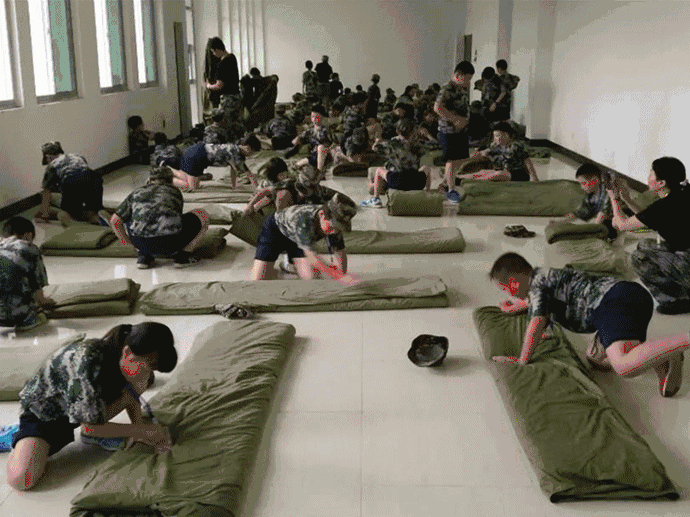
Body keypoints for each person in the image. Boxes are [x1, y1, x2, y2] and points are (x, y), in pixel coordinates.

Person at [6, 322, 178, 491]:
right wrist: (140, 431)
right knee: (22, 478)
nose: (149, 372)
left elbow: (131, 394)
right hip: (44, 414)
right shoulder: (88, 366)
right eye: (148, 366)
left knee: (141, 382)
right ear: (127, 353)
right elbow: (89, 428)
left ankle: (100, 431)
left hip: (78, 405)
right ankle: (16, 435)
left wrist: (138, 425)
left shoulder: (124, 352)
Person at [489, 252, 686, 397]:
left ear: (513, 284)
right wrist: (513, 307)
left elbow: (536, 324)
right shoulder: (542, 276)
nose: (508, 294)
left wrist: (522, 360)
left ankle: (682, 342)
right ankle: (663, 359)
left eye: (505, 289)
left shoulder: (537, 289)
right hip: (626, 295)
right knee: (595, 358)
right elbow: (535, 302)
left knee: (623, 366)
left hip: (613, 303)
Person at [606, 156, 690, 314]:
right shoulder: (683, 192)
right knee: (645, 245)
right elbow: (649, 219)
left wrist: (614, 198)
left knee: (638, 257)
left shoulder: (664, 206)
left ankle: (677, 300)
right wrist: (627, 198)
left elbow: (620, 224)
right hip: (685, 252)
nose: (648, 177)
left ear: (661, 183)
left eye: (651, 174)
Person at [109, 166, 209, 269]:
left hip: (140, 243)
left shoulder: (136, 192)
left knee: (129, 216)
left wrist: (127, 243)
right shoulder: (174, 191)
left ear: (149, 179)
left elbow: (114, 221)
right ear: (171, 180)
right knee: (202, 214)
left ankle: (144, 256)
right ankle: (183, 256)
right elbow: (176, 218)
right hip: (172, 243)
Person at [249, 193, 359, 284]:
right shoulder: (304, 220)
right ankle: (281, 266)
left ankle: (290, 264)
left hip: (297, 240)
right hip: (276, 230)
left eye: (338, 228)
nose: (334, 232)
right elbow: (312, 257)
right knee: (258, 281)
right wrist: (337, 275)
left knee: (311, 277)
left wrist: (342, 274)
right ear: (321, 215)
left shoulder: (334, 223)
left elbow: (339, 251)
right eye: (332, 227)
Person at [0, 217, 55, 331]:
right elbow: (37, 284)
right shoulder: (29, 249)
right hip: (14, 315)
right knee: (40, 316)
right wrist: (44, 301)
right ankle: (27, 321)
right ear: (28, 235)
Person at [35, 142, 108, 227]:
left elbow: (46, 193)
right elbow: (84, 175)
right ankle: (102, 219)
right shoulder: (76, 156)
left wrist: (44, 215)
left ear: (48, 156)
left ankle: (78, 229)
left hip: (71, 182)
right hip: (94, 178)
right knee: (94, 210)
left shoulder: (52, 165)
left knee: (68, 214)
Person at [362, 119, 432, 208]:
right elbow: (435, 145)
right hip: (417, 182)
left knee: (379, 170)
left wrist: (378, 139)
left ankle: (376, 199)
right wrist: (428, 135)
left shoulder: (392, 143)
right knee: (426, 168)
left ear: (397, 131)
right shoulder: (418, 144)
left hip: (398, 182)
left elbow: (375, 148)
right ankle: (427, 193)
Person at [435, 61, 474, 203]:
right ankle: (451, 190)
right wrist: (455, 119)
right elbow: (438, 108)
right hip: (449, 131)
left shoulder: (460, 89)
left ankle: (445, 183)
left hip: (460, 131)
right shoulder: (447, 88)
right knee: (452, 160)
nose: (469, 82)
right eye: (467, 79)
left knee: (460, 159)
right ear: (458, 75)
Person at [549, 163, 616, 240]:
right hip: (606, 222)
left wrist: (593, 230)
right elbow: (579, 213)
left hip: (617, 222)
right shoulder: (590, 196)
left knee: (606, 226)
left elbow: (603, 213)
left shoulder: (607, 191)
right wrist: (559, 222)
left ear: (594, 181)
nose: (581, 187)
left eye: (583, 183)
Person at [453, 122, 538, 182]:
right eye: (495, 136)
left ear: (508, 135)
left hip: (518, 174)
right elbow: (481, 154)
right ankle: (458, 178)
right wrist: (464, 160)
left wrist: (534, 177)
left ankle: (467, 180)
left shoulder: (515, 146)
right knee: (483, 172)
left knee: (498, 174)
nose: (497, 138)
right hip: (503, 171)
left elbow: (527, 161)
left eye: (499, 135)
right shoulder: (495, 147)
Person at [173, 134, 261, 190]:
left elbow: (233, 169)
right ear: (248, 148)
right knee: (191, 188)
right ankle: (170, 177)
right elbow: (248, 173)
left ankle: (173, 172)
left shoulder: (234, 148)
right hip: (196, 156)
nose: (251, 155)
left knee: (194, 184)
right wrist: (257, 187)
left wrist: (234, 185)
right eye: (253, 152)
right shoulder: (236, 153)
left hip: (199, 153)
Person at [289, 105, 334, 178]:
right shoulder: (310, 130)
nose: (314, 119)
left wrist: (328, 149)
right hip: (313, 156)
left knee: (320, 147)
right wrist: (297, 139)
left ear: (322, 117)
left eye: (317, 117)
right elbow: (297, 139)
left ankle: (319, 172)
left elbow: (334, 142)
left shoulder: (326, 130)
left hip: (324, 155)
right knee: (297, 166)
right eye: (312, 117)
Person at [205, 38, 241, 125]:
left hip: (228, 100)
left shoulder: (221, 64)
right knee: (236, 125)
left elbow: (219, 85)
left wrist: (208, 86)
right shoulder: (232, 58)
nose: (213, 54)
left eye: (213, 52)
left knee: (227, 125)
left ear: (217, 49)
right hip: (237, 97)